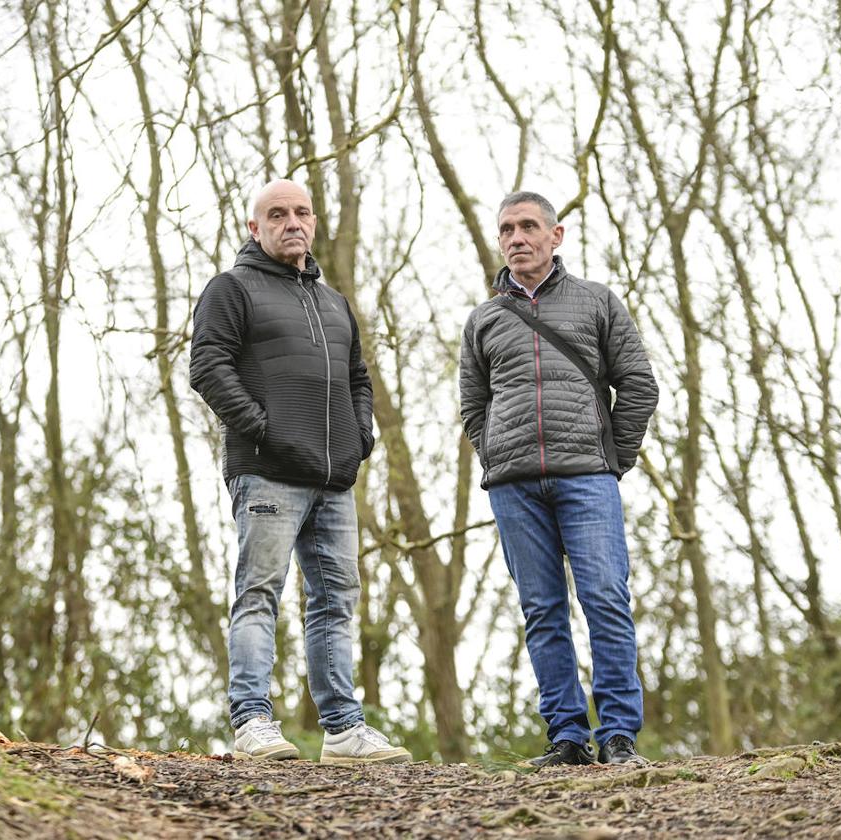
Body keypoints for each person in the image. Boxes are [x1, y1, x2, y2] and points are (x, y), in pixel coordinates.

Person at [189, 179, 410, 765]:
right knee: (259, 593)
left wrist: (360, 439)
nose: (293, 222)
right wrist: (267, 430)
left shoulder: (334, 303)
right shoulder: (231, 289)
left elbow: (360, 379)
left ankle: (343, 730)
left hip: (334, 479)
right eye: (277, 214)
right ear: (254, 228)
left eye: (302, 212)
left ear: (314, 222)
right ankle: (252, 721)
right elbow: (207, 367)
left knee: (337, 599)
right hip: (266, 473)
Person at [459, 191, 659, 766]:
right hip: (513, 487)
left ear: (556, 235)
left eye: (528, 227)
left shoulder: (597, 302)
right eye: (506, 230)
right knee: (542, 610)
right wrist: (495, 458)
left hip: (588, 480)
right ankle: (567, 737)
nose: (516, 238)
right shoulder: (484, 320)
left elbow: (639, 386)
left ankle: (618, 735)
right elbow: (474, 406)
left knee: (604, 599)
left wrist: (610, 458)